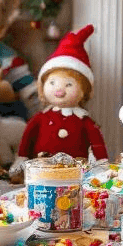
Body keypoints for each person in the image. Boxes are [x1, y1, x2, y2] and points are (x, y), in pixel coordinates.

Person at [17, 25, 108, 163]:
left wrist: (102, 162)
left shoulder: (84, 121)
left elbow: (97, 143)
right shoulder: (41, 118)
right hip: (43, 169)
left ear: (84, 90)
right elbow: (27, 139)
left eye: (69, 84)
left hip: (76, 171)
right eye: (52, 83)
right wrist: (21, 158)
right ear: (43, 86)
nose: (59, 90)